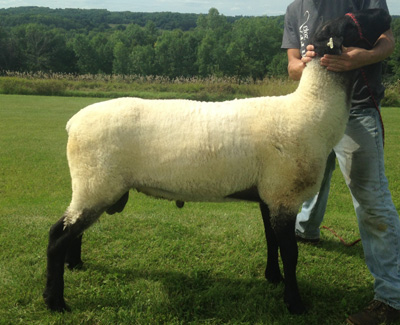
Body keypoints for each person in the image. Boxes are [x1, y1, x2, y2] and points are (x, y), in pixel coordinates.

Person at [282, 1, 400, 324]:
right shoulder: (296, 8)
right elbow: (292, 65)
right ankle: (306, 230)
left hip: (359, 108)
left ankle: (392, 298)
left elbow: (388, 39)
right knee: (312, 178)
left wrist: (363, 57)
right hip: (314, 113)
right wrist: (304, 64)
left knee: (371, 201)